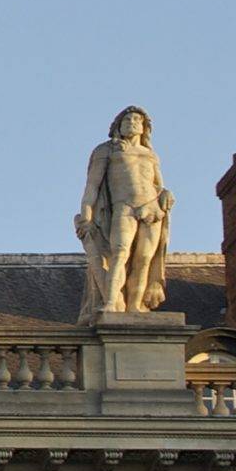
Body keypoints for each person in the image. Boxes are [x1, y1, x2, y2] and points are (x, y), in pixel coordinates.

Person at [75, 106, 171, 321]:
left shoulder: (150, 154)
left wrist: (165, 195)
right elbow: (92, 186)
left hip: (152, 208)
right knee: (120, 253)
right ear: (118, 125)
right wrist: (86, 217)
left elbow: (158, 185)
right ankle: (111, 302)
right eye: (128, 119)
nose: (133, 122)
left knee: (144, 258)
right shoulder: (106, 150)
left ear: (144, 127)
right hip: (124, 206)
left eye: (138, 119)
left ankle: (135, 306)